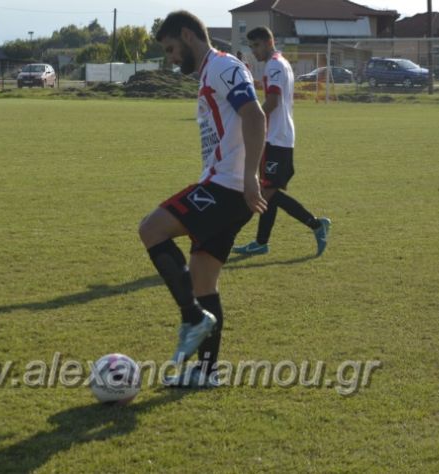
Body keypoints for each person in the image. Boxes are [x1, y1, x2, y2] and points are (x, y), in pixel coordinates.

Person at [138, 11, 267, 388]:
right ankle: (208, 371)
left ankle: (192, 319)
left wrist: (250, 176)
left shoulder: (224, 67)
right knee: (203, 281)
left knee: (151, 229)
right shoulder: (210, 73)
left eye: (171, 49)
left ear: (188, 36)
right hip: (226, 186)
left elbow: (255, 116)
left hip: (226, 187)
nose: (171, 58)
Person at [233, 27, 330, 257]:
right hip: (281, 136)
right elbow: (271, 92)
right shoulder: (280, 62)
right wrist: (248, 75)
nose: (254, 51)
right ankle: (261, 243)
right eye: (251, 46)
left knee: (266, 193)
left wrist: (254, 121)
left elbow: (273, 101)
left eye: (257, 45)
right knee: (268, 190)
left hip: (275, 137)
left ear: (269, 42)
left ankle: (316, 224)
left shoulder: (274, 65)